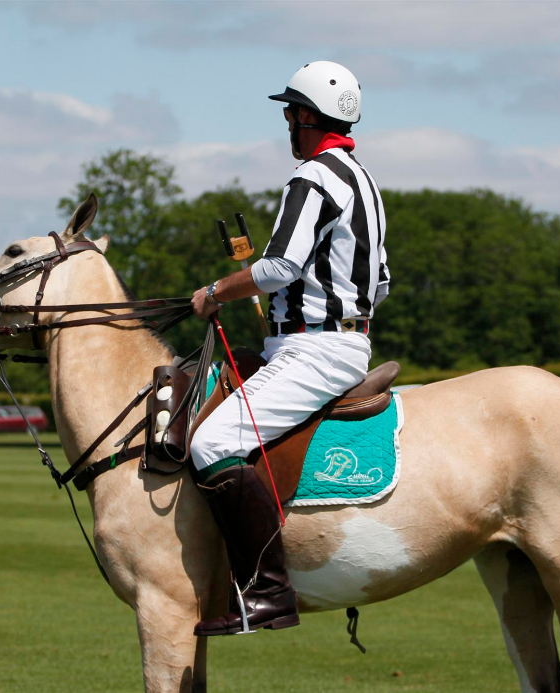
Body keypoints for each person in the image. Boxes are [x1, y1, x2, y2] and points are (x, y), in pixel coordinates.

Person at [189, 61, 388, 636]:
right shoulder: (364, 182)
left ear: (308, 117)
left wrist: (216, 290)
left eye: (289, 113)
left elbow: (278, 266)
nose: (287, 125)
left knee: (213, 439)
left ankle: (268, 593)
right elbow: (380, 283)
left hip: (315, 352)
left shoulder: (313, 179)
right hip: (347, 343)